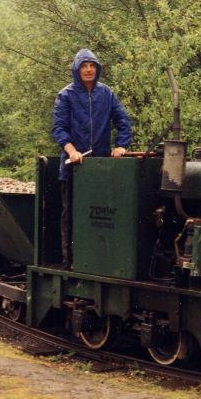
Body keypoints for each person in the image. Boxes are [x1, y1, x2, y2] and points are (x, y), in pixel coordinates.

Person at [52, 48, 133, 267]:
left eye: (92, 66)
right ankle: (70, 261)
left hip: (101, 167)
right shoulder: (66, 95)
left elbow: (123, 122)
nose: (88, 70)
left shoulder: (107, 94)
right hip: (74, 166)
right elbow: (59, 129)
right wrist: (72, 151)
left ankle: (101, 261)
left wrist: (121, 146)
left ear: (97, 69)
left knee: (102, 215)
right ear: (76, 70)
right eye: (84, 66)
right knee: (71, 214)